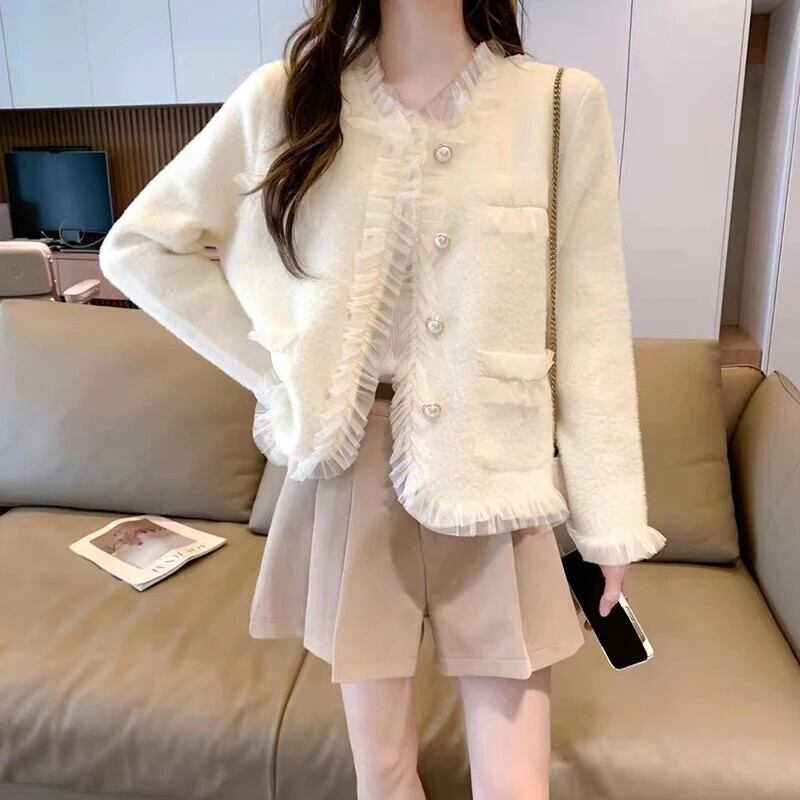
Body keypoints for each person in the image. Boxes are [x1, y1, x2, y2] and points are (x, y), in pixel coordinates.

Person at [99, 1, 667, 797]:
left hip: (498, 474)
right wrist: (285, 368)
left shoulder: (559, 105)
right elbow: (143, 247)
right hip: (351, 469)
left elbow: (591, 323)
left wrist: (609, 520)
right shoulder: (287, 99)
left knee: (516, 786)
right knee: (386, 775)